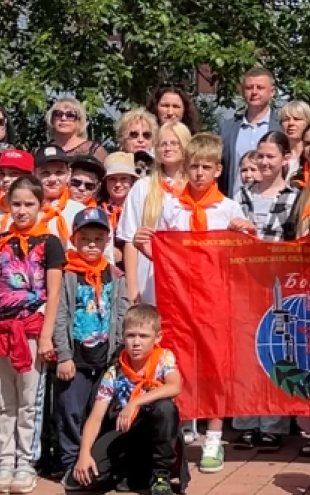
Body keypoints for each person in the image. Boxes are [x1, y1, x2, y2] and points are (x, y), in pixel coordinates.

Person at [151, 131, 256, 470]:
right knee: (178, 361)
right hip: (178, 300)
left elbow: (244, 256)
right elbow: (162, 252)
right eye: (193, 166)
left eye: (205, 167)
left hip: (216, 300)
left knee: (215, 366)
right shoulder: (172, 206)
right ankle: (181, 426)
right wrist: (144, 244)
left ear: (217, 170)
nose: (198, 173)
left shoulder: (228, 208)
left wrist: (245, 231)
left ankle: (213, 437)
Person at [0, 177, 65, 494]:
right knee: (3, 400)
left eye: (29, 204)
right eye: (16, 204)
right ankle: (5, 462)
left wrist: (46, 335)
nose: (22, 210)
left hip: (30, 329)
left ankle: (26, 462)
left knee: (29, 400)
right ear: (7, 205)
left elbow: (54, 293)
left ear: (40, 206)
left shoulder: (50, 243)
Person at [68, 303, 182, 495]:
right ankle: (126, 474)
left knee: (165, 408)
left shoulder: (163, 359)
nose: (136, 343)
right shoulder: (115, 371)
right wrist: (84, 454)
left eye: (143, 336)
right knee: (87, 478)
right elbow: (95, 418)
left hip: (156, 431)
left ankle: (161, 477)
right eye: (130, 336)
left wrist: (135, 402)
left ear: (158, 338)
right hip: (127, 433)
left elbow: (174, 386)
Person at [50, 206, 129, 476]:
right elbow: (60, 315)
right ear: (73, 240)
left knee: (102, 411)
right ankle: (70, 462)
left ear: (107, 241)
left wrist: (120, 354)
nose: (91, 244)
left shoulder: (116, 277)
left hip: (106, 357)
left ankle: (97, 460)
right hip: (75, 358)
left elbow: (123, 313)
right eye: (84, 239)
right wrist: (63, 354)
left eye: (97, 238)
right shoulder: (67, 275)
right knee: (70, 410)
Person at [117, 120, 192, 300]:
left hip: (187, 280)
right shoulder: (142, 187)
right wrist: (133, 290)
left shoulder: (196, 188)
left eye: (174, 143)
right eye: (163, 144)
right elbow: (130, 240)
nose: (168, 148)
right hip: (149, 281)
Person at [218, 67, 276, 198]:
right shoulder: (227, 128)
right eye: (249, 88)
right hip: (235, 204)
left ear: (272, 92)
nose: (254, 92)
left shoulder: (281, 128)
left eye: (260, 87)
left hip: (271, 206)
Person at [241, 134, 300, 243]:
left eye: (270, 157)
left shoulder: (295, 197)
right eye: (260, 156)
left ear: (285, 159)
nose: (264, 162)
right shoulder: (242, 194)